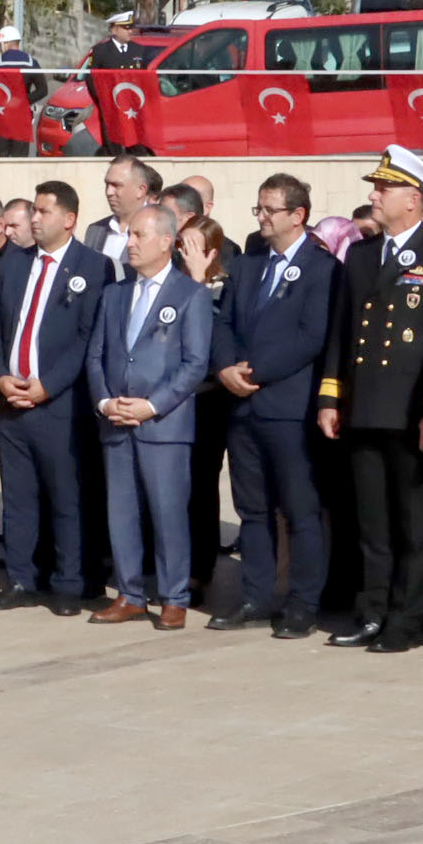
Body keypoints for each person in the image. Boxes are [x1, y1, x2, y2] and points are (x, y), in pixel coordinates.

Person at [317, 148, 423, 654]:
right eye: (375, 187)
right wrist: (331, 397)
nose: (374, 195)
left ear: (413, 199)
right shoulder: (362, 254)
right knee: (372, 521)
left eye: (384, 188)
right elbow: (341, 331)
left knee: (414, 523)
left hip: (411, 411)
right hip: (364, 407)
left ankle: (407, 616)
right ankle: (372, 612)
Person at [0, 177, 111, 613]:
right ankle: (21, 580)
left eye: (43, 211)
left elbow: (88, 337)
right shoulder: (14, 263)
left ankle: (69, 584)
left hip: (59, 404)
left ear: (69, 219)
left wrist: (48, 385)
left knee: (66, 497)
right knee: (19, 498)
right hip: (11, 400)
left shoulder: (93, 267)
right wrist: (0, 377)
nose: (34, 218)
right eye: (33, 211)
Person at [211, 176, 333, 638]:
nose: (261, 217)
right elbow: (223, 322)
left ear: (297, 215)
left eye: (269, 209)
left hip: (287, 407)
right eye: (258, 209)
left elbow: (310, 337)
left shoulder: (321, 268)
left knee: (300, 510)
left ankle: (303, 603)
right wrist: (225, 367)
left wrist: (255, 371)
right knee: (253, 509)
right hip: (242, 407)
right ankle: (256, 596)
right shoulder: (249, 263)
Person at [83, 203, 213, 627]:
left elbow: (195, 364)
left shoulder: (190, 294)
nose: (131, 243)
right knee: (121, 513)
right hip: (116, 421)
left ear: (166, 241)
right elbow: (96, 355)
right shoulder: (115, 294)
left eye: (140, 235)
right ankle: (130, 593)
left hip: (163, 425)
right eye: (130, 235)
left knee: (167, 512)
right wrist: (105, 402)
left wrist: (152, 405)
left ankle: (174, 596)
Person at [176, 209, 237, 606]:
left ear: (212, 251)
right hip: (172, 399)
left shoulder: (224, 288)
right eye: (181, 246)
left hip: (208, 399)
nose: (184, 254)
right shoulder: (171, 283)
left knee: (200, 485)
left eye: (193, 247)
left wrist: (197, 283)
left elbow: (210, 340)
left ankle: (200, 568)